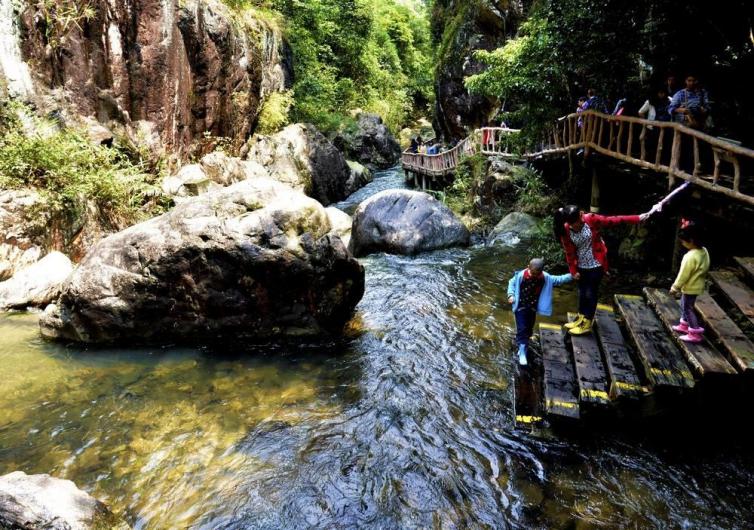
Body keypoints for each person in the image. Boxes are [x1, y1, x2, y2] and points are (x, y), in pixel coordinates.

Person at [554, 205, 653, 335]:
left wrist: (638, 218)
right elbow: (569, 252)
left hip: (596, 264)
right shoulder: (566, 229)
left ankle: (587, 323)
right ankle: (581, 318)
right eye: (575, 224)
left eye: (579, 221)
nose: (579, 225)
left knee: (590, 293)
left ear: (581, 214)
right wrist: (573, 270)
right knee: (582, 292)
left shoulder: (590, 219)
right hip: (581, 266)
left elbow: (615, 220)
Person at [507, 258, 574, 365]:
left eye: (537, 274)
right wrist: (510, 295)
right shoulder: (520, 275)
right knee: (522, 328)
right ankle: (523, 351)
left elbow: (559, 279)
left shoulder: (545, 278)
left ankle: (523, 346)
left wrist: (572, 275)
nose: (534, 276)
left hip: (532, 308)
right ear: (528, 267)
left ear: (541, 271)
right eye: (533, 273)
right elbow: (511, 283)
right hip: (520, 307)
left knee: (529, 328)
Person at [670, 220, 710, 343]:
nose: (682, 243)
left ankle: (694, 331)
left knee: (688, 308)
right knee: (684, 304)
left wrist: (675, 287)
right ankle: (684, 324)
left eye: (683, 241)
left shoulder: (690, 257)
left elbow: (683, 275)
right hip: (697, 285)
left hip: (690, 286)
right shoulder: (704, 251)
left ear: (691, 240)